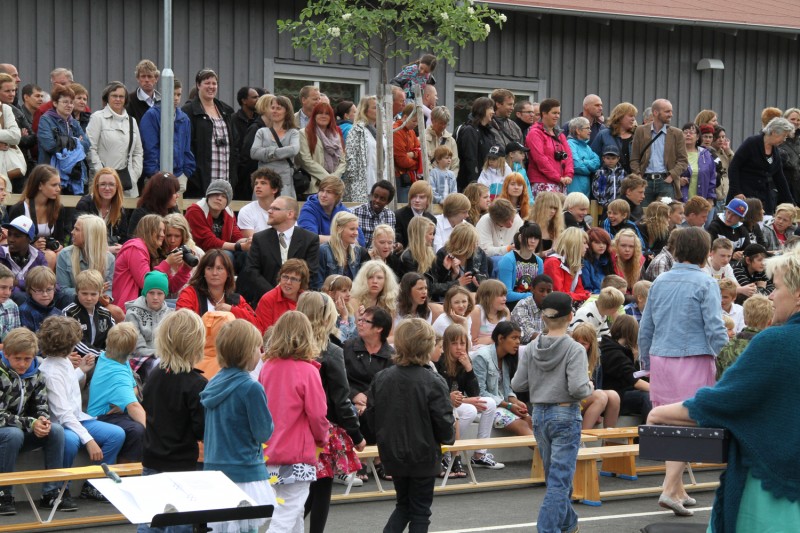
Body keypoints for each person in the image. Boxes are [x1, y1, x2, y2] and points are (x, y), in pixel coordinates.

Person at [647, 245, 800, 531]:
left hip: (773, 484)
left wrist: (660, 414)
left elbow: (723, 402)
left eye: (777, 287)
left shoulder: (776, 343)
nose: (771, 295)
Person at [638, 227, 728, 517]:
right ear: (704, 252)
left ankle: (676, 488)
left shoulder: (660, 280)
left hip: (661, 358)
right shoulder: (706, 282)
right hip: (694, 358)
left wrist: (646, 366)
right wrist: (727, 360)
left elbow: (645, 327)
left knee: (668, 424)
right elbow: (714, 327)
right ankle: (668, 487)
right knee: (689, 423)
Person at [511, 291, 593, 533]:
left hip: (540, 415)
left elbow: (518, 385)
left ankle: (569, 524)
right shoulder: (574, 349)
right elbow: (578, 388)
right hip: (565, 415)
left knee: (556, 478)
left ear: (544, 319)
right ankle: (548, 529)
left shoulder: (531, 348)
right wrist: (589, 385)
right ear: (570, 316)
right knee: (560, 481)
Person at [367, 319, 454, 532]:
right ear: (427, 345)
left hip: (392, 452)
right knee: (420, 511)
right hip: (423, 454)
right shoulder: (433, 381)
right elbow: (443, 421)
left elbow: (371, 418)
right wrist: (448, 437)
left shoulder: (381, 378)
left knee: (404, 505)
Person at [39, 316, 125, 502]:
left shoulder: (62, 362)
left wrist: (81, 370)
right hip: (61, 424)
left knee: (116, 434)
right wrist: (89, 440)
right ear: (68, 343)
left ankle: (94, 485)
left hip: (77, 418)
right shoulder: (51, 370)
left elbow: (67, 385)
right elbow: (63, 414)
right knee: (70, 440)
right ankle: (60, 490)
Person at [297, 293, 365, 528]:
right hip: (321, 427)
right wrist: (356, 435)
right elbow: (341, 399)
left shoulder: (284, 348)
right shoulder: (330, 351)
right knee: (321, 488)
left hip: (290, 427)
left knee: (299, 491)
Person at [201, 319, 274, 533]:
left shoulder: (213, 382)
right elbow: (263, 433)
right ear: (245, 351)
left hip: (215, 470)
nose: (260, 353)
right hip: (245, 472)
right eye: (256, 348)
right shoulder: (251, 387)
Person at [259, 312, 329, 532]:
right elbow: (318, 415)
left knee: (293, 512)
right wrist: (322, 438)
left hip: (268, 450)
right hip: (296, 455)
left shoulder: (267, 367)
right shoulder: (308, 371)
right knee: (287, 513)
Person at [139, 310, 206, 533]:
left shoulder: (155, 374)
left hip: (152, 459)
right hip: (181, 466)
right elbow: (201, 429)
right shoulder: (196, 383)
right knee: (178, 525)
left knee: (150, 522)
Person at [0, 328, 68, 515]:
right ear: (6, 354)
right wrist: (30, 423)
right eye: (17, 359)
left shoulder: (36, 374)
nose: (22, 364)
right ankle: (3, 493)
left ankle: (51, 492)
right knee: (13, 434)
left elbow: (41, 405)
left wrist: (42, 421)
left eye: (27, 359)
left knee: (56, 430)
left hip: (18, 432)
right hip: (7, 433)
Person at [436, 324, 502, 471]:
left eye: (462, 343)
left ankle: (479, 454)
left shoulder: (465, 361)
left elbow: (474, 393)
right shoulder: (439, 361)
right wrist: (466, 400)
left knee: (490, 403)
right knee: (470, 411)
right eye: (454, 343)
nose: (459, 347)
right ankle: (447, 452)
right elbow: (441, 395)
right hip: (445, 405)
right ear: (446, 345)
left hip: (458, 403)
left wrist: (469, 369)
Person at [343, 306, 395, 479]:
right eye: (360, 319)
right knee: (352, 410)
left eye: (366, 321)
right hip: (351, 398)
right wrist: (354, 395)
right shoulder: (348, 348)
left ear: (379, 328)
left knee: (390, 409)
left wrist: (368, 398)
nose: (360, 323)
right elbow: (340, 378)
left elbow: (388, 383)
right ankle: (360, 460)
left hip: (377, 399)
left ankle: (382, 459)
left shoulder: (391, 355)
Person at [238, 194, 319, 301]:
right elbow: (252, 271)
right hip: (266, 299)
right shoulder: (259, 238)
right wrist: (274, 294)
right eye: (270, 208)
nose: (269, 211)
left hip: (297, 301)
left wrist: (291, 293)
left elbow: (310, 272)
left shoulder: (309, 239)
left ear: (290, 214)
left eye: (275, 209)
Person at [85, 322, 145, 463]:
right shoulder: (117, 373)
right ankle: (125, 473)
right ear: (132, 348)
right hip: (102, 417)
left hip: (115, 412)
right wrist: (153, 434)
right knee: (138, 430)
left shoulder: (111, 356)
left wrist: (123, 401)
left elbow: (134, 387)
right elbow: (134, 407)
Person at [113, 214, 193, 310]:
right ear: (149, 231)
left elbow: (169, 287)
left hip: (143, 304)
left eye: (164, 231)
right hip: (128, 307)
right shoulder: (136, 248)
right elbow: (147, 283)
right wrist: (167, 263)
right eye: (160, 230)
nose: (163, 235)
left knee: (184, 306)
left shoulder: (152, 252)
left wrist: (186, 268)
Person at [182, 69, 238, 197]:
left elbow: (235, 145)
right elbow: (186, 146)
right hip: (199, 183)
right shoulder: (188, 111)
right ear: (198, 85)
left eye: (214, 83)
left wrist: (233, 176)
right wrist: (194, 176)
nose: (211, 87)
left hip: (225, 181)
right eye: (207, 83)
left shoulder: (226, 111)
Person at [472, 321, 533, 436]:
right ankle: (546, 454)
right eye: (514, 338)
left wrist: (515, 401)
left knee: (529, 420)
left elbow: (506, 389)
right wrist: (509, 405)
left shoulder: (507, 358)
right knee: (522, 425)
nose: (518, 342)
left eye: (519, 338)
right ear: (500, 338)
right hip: (484, 408)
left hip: (502, 405)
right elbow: (480, 392)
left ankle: (543, 453)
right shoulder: (481, 357)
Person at [86, 81, 143, 198]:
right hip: (101, 185)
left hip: (127, 186)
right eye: (114, 96)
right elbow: (90, 148)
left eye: (121, 96)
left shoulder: (132, 122)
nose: (118, 99)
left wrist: (134, 175)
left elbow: (138, 152)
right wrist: (102, 175)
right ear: (107, 97)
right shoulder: (97, 118)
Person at [727, 117, 796, 215]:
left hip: (763, 199)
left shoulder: (775, 152)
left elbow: (780, 178)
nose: (784, 140)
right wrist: (737, 191)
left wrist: (790, 203)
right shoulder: (751, 143)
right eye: (784, 136)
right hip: (743, 196)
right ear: (774, 132)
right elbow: (734, 167)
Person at [139, 78, 195, 192]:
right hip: (157, 177)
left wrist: (185, 173)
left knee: (176, 210)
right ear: (164, 92)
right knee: (156, 209)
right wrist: (154, 174)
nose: (176, 98)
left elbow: (187, 148)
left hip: (179, 175)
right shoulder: (152, 115)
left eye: (178, 94)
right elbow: (149, 148)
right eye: (172, 93)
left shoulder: (184, 119)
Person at [630, 98, 688, 206]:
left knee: (665, 217)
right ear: (655, 113)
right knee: (643, 216)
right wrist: (638, 176)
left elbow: (683, 161)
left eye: (671, 111)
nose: (671, 114)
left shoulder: (677, 133)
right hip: (645, 181)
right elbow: (634, 158)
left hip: (665, 182)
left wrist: (671, 177)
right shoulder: (640, 131)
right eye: (667, 111)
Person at [8, 164, 67, 270]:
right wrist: (31, 245)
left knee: (61, 254)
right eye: (54, 185)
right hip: (23, 256)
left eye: (59, 185)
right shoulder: (19, 209)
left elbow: (61, 238)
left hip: (49, 253)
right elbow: (11, 241)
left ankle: (54, 285)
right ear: (40, 185)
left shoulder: (58, 208)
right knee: (50, 256)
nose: (58, 189)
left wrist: (59, 245)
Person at [176, 249, 257, 323]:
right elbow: (181, 322)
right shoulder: (190, 294)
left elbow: (256, 325)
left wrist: (232, 310)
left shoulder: (238, 300)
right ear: (203, 272)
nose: (214, 273)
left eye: (219, 268)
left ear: (228, 273)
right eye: (209, 268)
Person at [36, 85, 91, 195]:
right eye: (65, 102)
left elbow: (86, 145)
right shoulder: (46, 120)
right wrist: (76, 142)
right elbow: (50, 146)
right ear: (55, 103)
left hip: (74, 175)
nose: (69, 105)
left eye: (71, 102)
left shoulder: (74, 122)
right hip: (51, 175)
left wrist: (63, 141)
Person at [600, 314, 651, 423]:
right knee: (647, 397)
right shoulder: (615, 354)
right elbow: (635, 381)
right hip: (618, 395)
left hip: (617, 393)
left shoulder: (611, 348)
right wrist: (658, 390)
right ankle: (649, 434)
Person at [56, 214, 116, 306]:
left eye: (77, 229)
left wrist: (106, 298)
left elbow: (108, 290)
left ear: (89, 234)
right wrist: (93, 290)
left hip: (97, 303)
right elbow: (63, 290)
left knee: (117, 312)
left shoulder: (109, 258)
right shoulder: (64, 255)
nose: (72, 232)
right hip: (72, 302)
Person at [185, 179, 250, 261]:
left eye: (223, 196)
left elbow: (235, 235)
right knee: (225, 256)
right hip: (198, 253)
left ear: (227, 202)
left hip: (221, 250)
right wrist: (239, 246)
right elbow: (208, 242)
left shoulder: (229, 213)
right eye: (216, 194)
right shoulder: (195, 211)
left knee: (247, 254)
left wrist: (247, 241)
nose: (219, 198)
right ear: (208, 195)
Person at [571, 323, 620, 430]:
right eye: (576, 342)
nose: (579, 346)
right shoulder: (569, 356)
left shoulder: (595, 358)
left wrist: (597, 410)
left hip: (586, 396)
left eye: (584, 344)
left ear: (591, 345)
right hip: (571, 399)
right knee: (600, 397)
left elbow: (597, 386)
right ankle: (581, 439)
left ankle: (608, 441)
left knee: (614, 396)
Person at [715, 294, 773, 379]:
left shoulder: (727, 347)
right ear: (770, 322)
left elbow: (719, 378)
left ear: (745, 320)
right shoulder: (772, 348)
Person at [62, 269, 116, 358]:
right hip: (78, 360)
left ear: (100, 293)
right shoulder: (69, 313)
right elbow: (75, 343)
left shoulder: (106, 314)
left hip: (103, 358)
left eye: (93, 294)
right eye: (84, 293)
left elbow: (114, 337)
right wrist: (104, 355)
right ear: (77, 291)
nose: (89, 298)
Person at [298, 175, 365, 246]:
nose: (323, 195)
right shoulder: (309, 209)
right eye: (321, 190)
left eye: (329, 192)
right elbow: (310, 239)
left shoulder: (343, 211)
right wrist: (343, 240)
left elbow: (360, 241)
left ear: (337, 196)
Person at [526, 98, 574, 197]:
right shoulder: (535, 133)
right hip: (542, 182)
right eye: (554, 113)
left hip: (560, 183)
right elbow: (540, 159)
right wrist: (558, 177)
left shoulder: (560, 134)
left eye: (558, 113)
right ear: (544, 113)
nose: (557, 116)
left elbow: (568, 156)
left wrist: (568, 175)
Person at [124, 271, 173, 364]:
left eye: (160, 293)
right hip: (138, 360)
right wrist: (163, 356)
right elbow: (137, 349)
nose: (155, 297)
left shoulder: (171, 315)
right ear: (145, 293)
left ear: (165, 294)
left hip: (165, 359)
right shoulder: (133, 313)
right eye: (151, 293)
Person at [74, 169, 129, 251]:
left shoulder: (120, 209)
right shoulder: (84, 205)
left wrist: (122, 248)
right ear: (97, 186)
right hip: (86, 253)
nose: (107, 188)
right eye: (103, 184)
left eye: (111, 184)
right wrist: (107, 250)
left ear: (117, 187)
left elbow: (124, 239)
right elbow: (79, 238)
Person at [298, 103, 346, 195]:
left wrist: (334, 179)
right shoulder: (304, 133)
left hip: (334, 188)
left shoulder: (336, 134)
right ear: (314, 116)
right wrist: (328, 179)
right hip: (314, 187)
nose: (323, 116)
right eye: (320, 113)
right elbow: (306, 160)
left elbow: (343, 161)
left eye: (327, 113)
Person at [431, 222, 488, 298]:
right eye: (473, 242)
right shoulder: (443, 255)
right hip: (449, 298)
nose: (476, 245)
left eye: (476, 242)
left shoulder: (479, 253)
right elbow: (435, 287)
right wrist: (456, 280)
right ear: (462, 244)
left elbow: (485, 280)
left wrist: (479, 284)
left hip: (472, 296)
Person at [316, 211, 370, 289]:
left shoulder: (358, 251)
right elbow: (318, 284)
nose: (356, 233)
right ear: (338, 229)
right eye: (352, 229)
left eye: (356, 229)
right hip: (329, 299)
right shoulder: (323, 251)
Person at [0, 215, 47, 304]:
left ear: (29, 239)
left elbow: (52, 285)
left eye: (17, 236)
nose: (10, 239)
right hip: (5, 301)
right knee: (20, 295)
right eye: (9, 234)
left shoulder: (39, 257)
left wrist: (18, 283)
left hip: (34, 297)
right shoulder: (1, 253)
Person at [254, 258, 309, 333]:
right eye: (285, 277)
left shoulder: (307, 300)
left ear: (301, 282)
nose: (288, 282)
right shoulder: (268, 299)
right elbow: (265, 333)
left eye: (294, 279)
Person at [344, 95, 382, 203]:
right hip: (364, 184)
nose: (378, 110)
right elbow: (350, 158)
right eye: (375, 107)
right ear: (365, 110)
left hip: (380, 181)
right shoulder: (356, 130)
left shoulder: (382, 131)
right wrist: (355, 181)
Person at [497, 221, 544, 307]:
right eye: (529, 237)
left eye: (536, 238)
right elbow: (506, 294)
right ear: (520, 238)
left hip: (531, 306)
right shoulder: (508, 260)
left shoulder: (539, 262)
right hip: (510, 306)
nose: (533, 241)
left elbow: (539, 288)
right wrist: (532, 296)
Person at [456, 97, 496, 190]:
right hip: (471, 185)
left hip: (487, 183)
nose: (493, 112)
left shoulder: (489, 133)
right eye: (491, 108)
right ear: (482, 110)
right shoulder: (470, 130)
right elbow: (470, 159)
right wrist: (474, 184)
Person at [543, 227, 590, 304]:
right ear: (574, 244)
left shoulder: (573, 263)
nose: (587, 246)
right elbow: (559, 295)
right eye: (584, 243)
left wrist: (587, 295)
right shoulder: (553, 262)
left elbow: (579, 290)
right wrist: (585, 295)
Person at [591, 102, 638, 173]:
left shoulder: (637, 135)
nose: (633, 119)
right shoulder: (603, 135)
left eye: (634, 116)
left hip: (632, 181)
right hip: (609, 181)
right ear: (620, 117)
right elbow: (593, 158)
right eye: (631, 116)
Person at [236, 167, 282, 238]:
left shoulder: (284, 210)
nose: (258, 186)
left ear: (274, 189)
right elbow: (252, 241)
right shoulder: (246, 211)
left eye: (263, 183)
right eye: (256, 183)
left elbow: (291, 237)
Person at [352, 180, 397, 250]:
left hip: (381, 256)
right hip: (360, 256)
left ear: (388, 201)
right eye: (375, 196)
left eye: (382, 199)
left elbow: (390, 240)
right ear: (372, 195)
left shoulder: (390, 215)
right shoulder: (356, 212)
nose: (377, 200)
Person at [510, 274, 554, 344]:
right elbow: (529, 334)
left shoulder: (554, 305)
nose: (545, 295)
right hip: (526, 348)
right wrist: (554, 340)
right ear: (532, 290)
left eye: (549, 291)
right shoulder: (522, 305)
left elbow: (564, 329)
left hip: (549, 345)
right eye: (541, 291)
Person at [394, 181, 436, 248]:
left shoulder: (432, 219)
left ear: (428, 199)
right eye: (414, 196)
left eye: (421, 197)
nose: (417, 200)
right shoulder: (398, 216)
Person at [393, 104, 422, 203]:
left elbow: (420, 150)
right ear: (405, 117)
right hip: (400, 178)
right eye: (414, 121)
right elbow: (402, 161)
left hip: (409, 177)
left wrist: (413, 154)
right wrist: (417, 163)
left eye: (418, 121)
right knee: (402, 206)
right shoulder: (396, 131)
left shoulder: (411, 132)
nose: (416, 124)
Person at [19, 266, 61, 332]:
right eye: (39, 290)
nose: (45, 294)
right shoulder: (25, 311)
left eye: (49, 289)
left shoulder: (58, 312)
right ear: (30, 290)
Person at [566, 116, 601, 197]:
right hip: (573, 190)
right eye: (587, 128)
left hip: (586, 191)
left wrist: (584, 161)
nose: (590, 131)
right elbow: (576, 165)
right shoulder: (570, 144)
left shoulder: (587, 147)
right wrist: (589, 169)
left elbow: (597, 162)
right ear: (578, 130)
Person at [470, 279, 510, 346]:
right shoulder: (477, 311)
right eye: (501, 295)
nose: (505, 299)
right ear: (488, 297)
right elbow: (472, 341)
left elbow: (507, 337)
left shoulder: (505, 311)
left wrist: (491, 339)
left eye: (505, 295)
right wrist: (497, 339)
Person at [425, 106, 460, 177]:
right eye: (441, 123)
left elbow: (455, 164)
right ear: (432, 120)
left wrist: (451, 178)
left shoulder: (451, 140)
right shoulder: (423, 138)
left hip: (448, 181)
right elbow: (425, 162)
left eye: (446, 123)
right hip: (429, 182)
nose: (443, 126)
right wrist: (435, 178)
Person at [592, 144, 626, 210]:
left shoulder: (623, 173)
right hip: (605, 207)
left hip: (620, 206)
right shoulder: (600, 173)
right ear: (603, 158)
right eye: (608, 158)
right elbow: (596, 190)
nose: (610, 161)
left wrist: (623, 202)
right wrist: (605, 204)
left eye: (613, 158)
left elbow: (625, 190)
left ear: (618, 158)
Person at [611, 228, 645, 294]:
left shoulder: (639, 261)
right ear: (616, 245)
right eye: (623, 245)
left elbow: (640, 288)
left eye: (631, 246)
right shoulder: (609, 262)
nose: (627, 249)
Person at [582, 227, 615, 294]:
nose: (602, 246)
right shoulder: (585, 263)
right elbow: (587, 289)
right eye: (597, 242)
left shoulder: (607, 261)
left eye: (604, 243)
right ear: (589, 243)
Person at [0, 266, 19, 340]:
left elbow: (15, 340)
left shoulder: (12, 306)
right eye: (3, 287)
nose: (7, 293)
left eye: (10, 288)